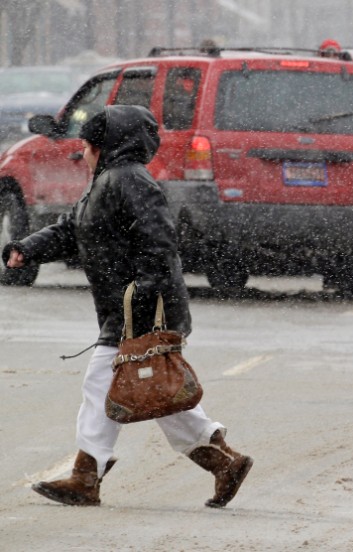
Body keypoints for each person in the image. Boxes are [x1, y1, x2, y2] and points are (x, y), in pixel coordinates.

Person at [2, 105, 253, 507]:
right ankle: (224, 461)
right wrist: (26, 249)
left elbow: (159, 241)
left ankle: (87, 476)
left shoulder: (129, 181)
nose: (81, 153)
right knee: (158, 391)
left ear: (106, 145)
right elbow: (72, 229)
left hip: (141, 307)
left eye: (86, 145)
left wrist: (144, 291)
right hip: (131, 307)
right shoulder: (109, 180)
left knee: (103, 386)